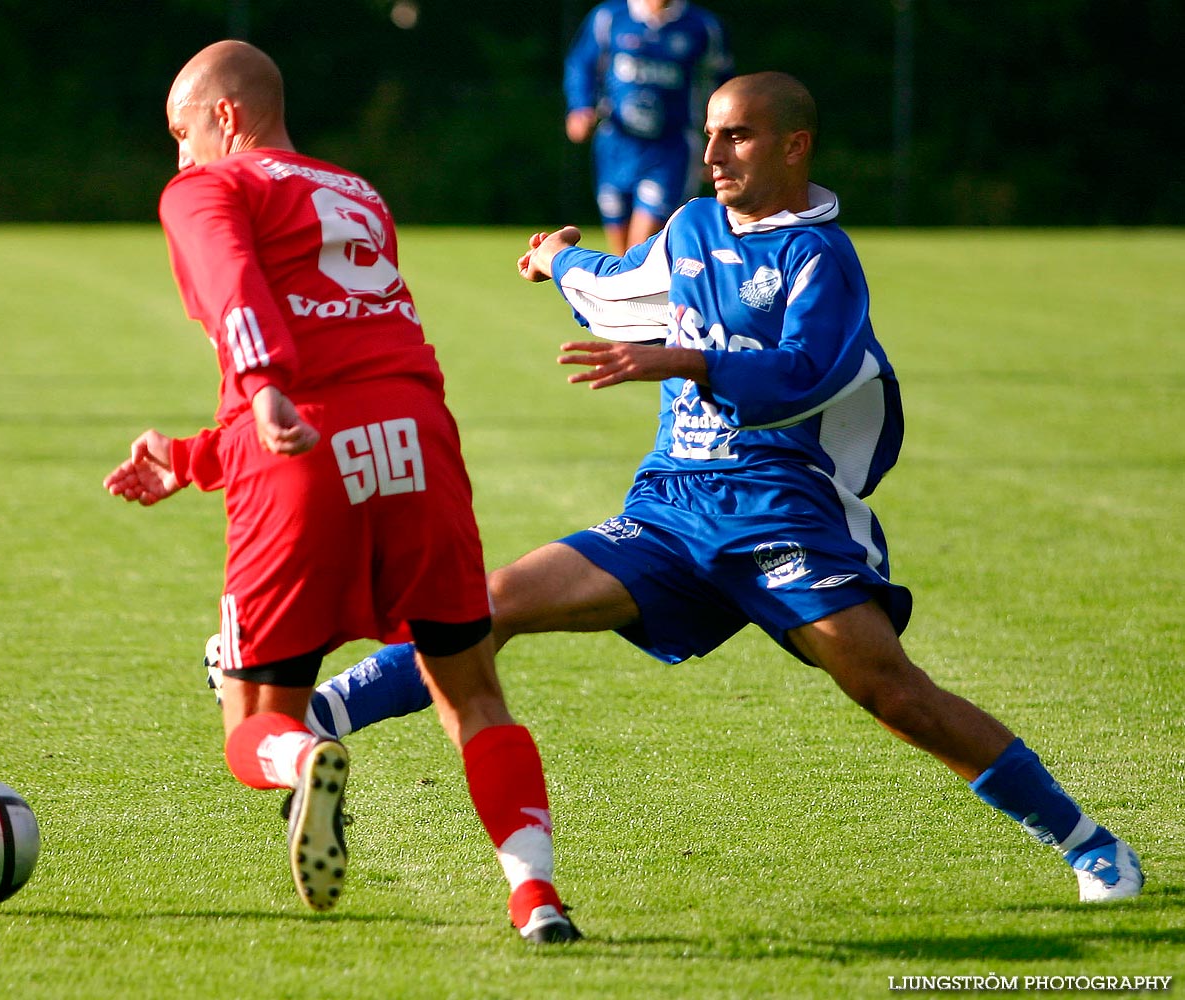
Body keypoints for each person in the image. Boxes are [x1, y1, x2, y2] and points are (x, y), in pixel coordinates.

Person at [284, 71, 1145, 905]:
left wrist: (686, 358)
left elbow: (808, 372)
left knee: (892, 694)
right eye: (708, 135)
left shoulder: (821, 258)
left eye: (736, 134)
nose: (712, 154)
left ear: (794, 146)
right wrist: (561, 261)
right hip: (670, 511)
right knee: (493, 602)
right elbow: (625, 293)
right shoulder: (695, 227)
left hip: (785, 517)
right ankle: (318, 716)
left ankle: (1087, 844)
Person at [104, 40, 580, 944]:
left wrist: (260, 379)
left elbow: (231, 280)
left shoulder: (207, 188)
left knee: (253, 721)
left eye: (181, 130)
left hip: (298, 448)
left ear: (227, 116)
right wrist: (197, 456)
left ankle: (307, 754)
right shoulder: (355, 192)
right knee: (472, 693)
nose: (177, 156)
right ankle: (536, 897)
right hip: (418, 441)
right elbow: (356, 355)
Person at [564, 0, 733, 255]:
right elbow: (581, 65)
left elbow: (723, 84)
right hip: (615, 145)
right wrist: (580, 107)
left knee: (639, 248)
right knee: (621, 254)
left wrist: (722, 145)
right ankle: (625, 294)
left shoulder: (701, 26)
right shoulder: (610, 17)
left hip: (670, 147)